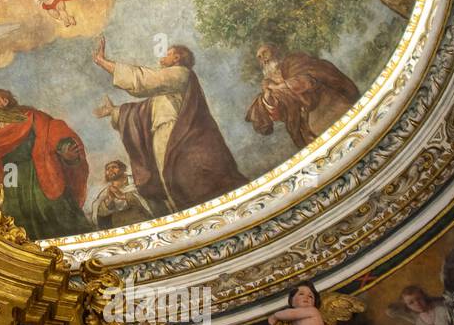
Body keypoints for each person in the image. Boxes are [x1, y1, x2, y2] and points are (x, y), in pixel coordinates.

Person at [93, 38, 246, 214]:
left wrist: (103, 62)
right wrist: (114, 111)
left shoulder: (180, 73)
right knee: (174, 185)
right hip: (164, 136)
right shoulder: (167, 90)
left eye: (168, 54)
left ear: (177, 58)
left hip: (177, 136)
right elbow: (142, 110)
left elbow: (143, 80)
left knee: (189, 181)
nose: (162, 57)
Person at [0, 88, 90, 238]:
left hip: (37, 171)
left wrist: (64, 149)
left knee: (50, 209)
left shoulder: (29, 117)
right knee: (13, 214)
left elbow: (51, 130)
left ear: (5, 101)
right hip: (10, 175)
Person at [245, 43, 360, 150]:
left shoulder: (294, 61)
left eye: (265, 53)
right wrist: (268, 98)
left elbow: (305, 82)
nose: (264, 60)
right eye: (259, 57)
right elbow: (276, 110)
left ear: (275, 52)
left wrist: (275, 87)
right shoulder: (268, 81)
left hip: (330, 107)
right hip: (307, 125)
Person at [90, 159, 153, 229]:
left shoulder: (136, 181)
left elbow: (146, 201)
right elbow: (99, 212)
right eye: (107, 169)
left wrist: (123, 196)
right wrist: (109, 201)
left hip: (141, 223)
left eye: (114, 167)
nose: (110, 170)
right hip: (118, 227)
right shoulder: (105, 192)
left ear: (122, 169)